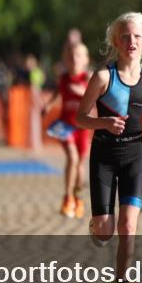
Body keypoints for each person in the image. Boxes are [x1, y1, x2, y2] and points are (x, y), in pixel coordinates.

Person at [75, 12, 142, 283]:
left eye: (137, 36)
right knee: (106, 231)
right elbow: (80, 117)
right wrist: (103, 122)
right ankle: (97, 226)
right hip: (103, 155)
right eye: (125, 36)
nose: (131, 41)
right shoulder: (103, 77)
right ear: (116, 41)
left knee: (128, 226)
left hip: (133, 157)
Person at [43, 42, 92, 218]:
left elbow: (98, 97)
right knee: (72, 158)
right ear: (66, 59)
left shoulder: (88, 78)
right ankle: (68, 198)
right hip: (65, 127)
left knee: (80, 165)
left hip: (83, 127)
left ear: (86, 59)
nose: (74, 59)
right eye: (71, 56)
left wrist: (82, 92)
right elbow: (58, 92)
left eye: (78, 55)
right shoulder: (63, 78)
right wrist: (49, 105)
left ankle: (78, 198)